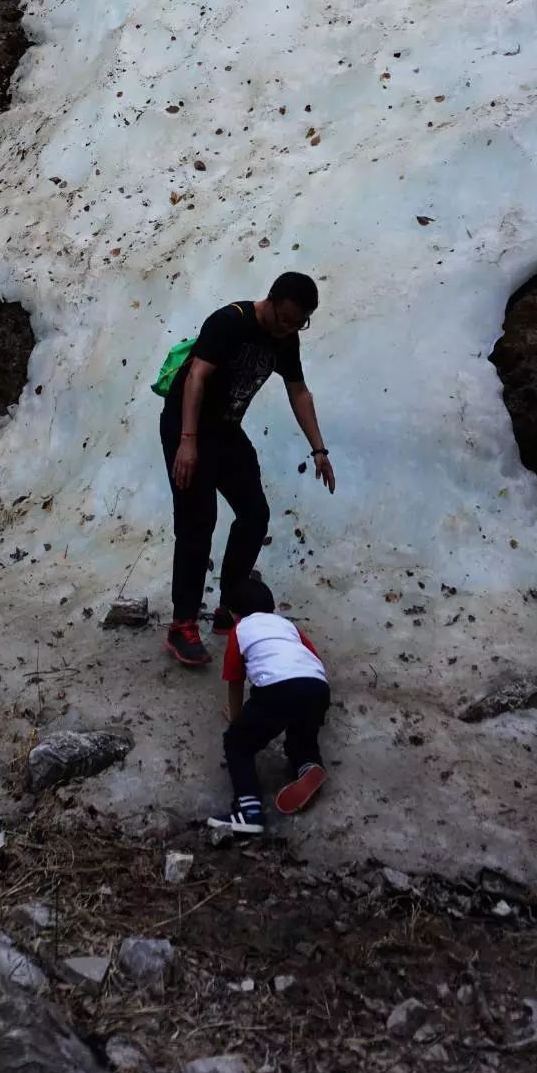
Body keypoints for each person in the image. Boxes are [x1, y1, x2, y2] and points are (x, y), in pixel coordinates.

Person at [160, 271, 334, 668]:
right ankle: (182, 624)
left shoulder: (286, 338)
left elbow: (298, 391)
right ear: (270, 300)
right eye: (283, 317)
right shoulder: (230, 321)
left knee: (255, 514)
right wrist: (187, 443)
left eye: (298, 323)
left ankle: (231, 604)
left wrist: (319, 449)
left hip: (225, 430)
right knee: (197, 520)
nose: (287, 328)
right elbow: (196, 379)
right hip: (186, 425)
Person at [208, 575, 330, 836]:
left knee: (238, 744)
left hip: (279, 690)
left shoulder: (240, 630)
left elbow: (235, 679)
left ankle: (249, 811)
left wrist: (237, 718)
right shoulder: (288, 626)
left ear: (233, 613)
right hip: (316, 685)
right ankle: (308, 764)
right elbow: (312, 656)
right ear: (272, 608)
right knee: (302, 735)